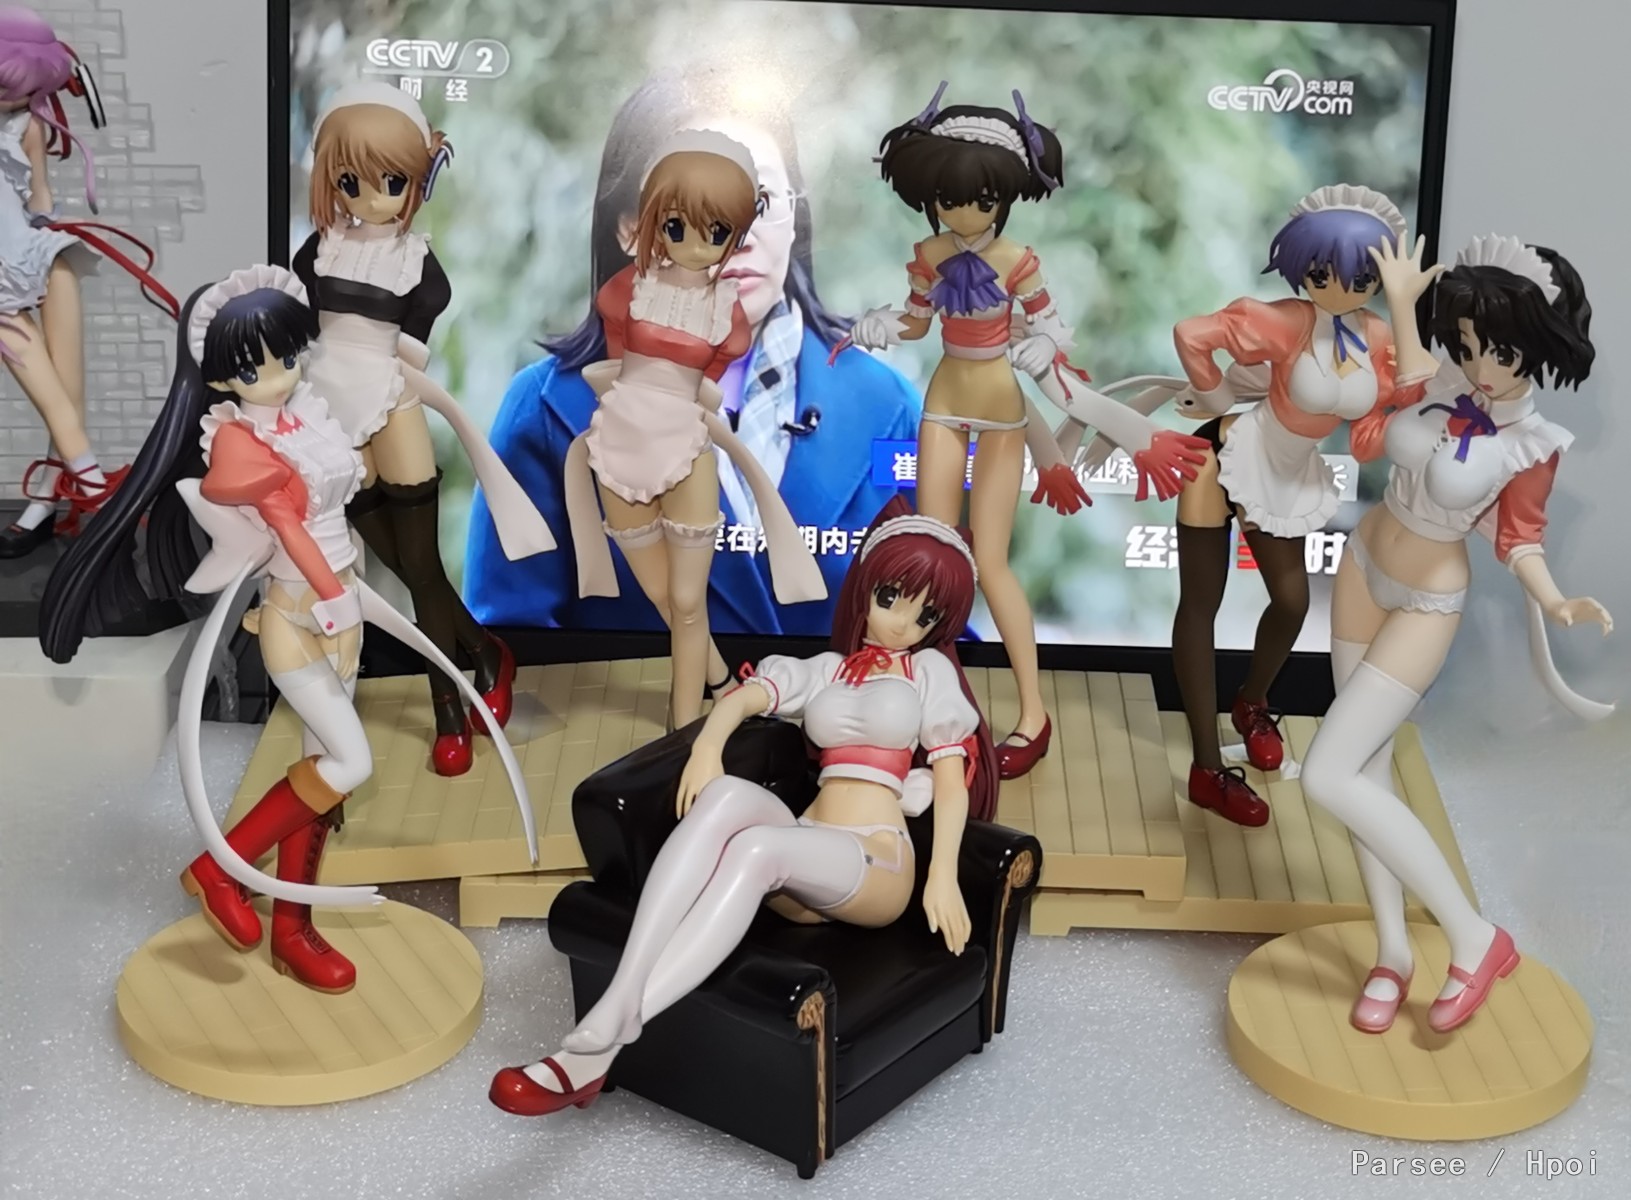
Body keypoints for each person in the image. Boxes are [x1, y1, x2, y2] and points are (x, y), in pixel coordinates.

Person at [38, 266, 536, 991]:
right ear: (220, 378)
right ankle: (221, 868)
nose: (275, 378)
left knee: (321, 780)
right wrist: (335, 595)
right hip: (298, 619)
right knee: (350, 764)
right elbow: (288, 528)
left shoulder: (313, 413)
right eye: (252, 369)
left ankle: (292, 931)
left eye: (286, 356)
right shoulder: (237, 442)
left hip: (344, 612)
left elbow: (340, 507)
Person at [488, 497, 994, 1117]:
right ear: (866, 587)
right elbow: (744, 698)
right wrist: (706, 750)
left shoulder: (930, 674)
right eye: (891, 598)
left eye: (925, 615)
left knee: (756, 847)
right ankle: (619, 1008)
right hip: (808, 847)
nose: (901, 624)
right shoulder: (827, 671)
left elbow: (950, 781)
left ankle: (609, 1032)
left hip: (875, 863)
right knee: (727, 795)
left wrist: (942, 876)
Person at [464, 66, 921, 645]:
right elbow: (508, 644)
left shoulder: (888, 406)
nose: (739, 234)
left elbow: (943, 621)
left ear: (795, 218)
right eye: (692, 209)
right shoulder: (547, 411)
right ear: (630, 228)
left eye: (761, 201)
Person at [1301, 235, 1610, 1035]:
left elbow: (1518, 537)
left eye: (1499, 352)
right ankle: (1392, 952)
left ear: (1537, 348)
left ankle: (1474, 938)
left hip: (1427, 598)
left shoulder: (1531, 443)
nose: (1480, 366)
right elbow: (1402, 387)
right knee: (1365, 771)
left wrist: (1556, 601)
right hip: (1363, 565)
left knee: (1326, 774)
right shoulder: (1441, 380)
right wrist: (1404, 304)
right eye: (1469, 345)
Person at [293, 81, 552, 776]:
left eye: (391, 181)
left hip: (392, 399)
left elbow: (411, 345)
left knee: (423, 566)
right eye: (351, 180)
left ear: (418, 179)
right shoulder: (316, 253)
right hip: (330, 411)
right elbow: (300, 331)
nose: (372, 197)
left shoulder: (418, 265)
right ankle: (485, 653)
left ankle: (450, 709)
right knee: (405, 568)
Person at [1167, 186, 1437, 826]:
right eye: (1322, 273)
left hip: (1288, 472)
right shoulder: (1286, 320)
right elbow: (1191, 333)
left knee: (1291, 602)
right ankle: (1207, 767)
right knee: (1201, 605)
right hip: (1225, 454)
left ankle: (1251, 703)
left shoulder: (1375, 333)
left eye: (1360, 278)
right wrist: (1213, 397)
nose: (1339, 288)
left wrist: (1403, 304)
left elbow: (1407, 395)